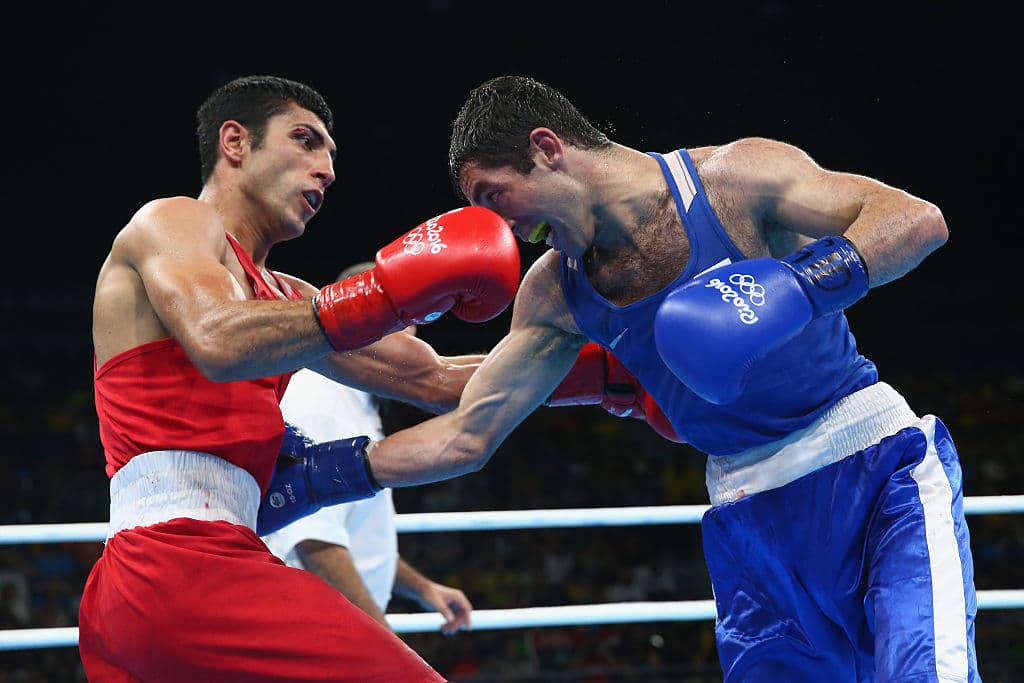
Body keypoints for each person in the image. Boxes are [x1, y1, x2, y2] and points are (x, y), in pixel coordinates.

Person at [311, 75, 981, 682]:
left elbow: (914, 219)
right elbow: (466, 432)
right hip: (749, 517)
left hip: (872, 471)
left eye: (496, 197)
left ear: (547, 147)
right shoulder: (556, 294)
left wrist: (799, 286)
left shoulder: (733, 179)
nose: (505, 228)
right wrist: (323, 474)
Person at [79, 74, 523, 683]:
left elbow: (438, 378)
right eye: (305, 141)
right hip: (176, 564)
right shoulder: (174, 222)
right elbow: (217, 339)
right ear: (235, 142)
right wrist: (385, 297)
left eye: (331, 156)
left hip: (186, 572)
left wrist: (600, 367)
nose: (327, 170)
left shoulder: (288, 299)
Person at [261, 262, 473, 636]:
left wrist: (421, 588)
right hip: (323, 628)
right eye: (398, 320)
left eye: (411, 323)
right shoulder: (320, 400)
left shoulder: (356, 400)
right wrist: (383, 641)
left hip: (338, 623)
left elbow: (354, 530)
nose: (411, 338)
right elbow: (315, 544)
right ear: (356, 319)